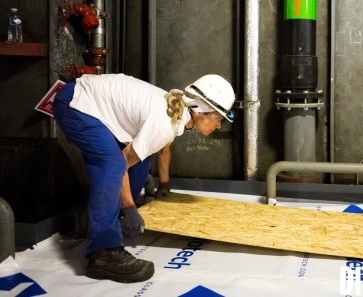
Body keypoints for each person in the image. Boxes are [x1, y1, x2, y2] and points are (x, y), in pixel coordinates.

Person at [52, 73, 235, 283]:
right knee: (111, 164)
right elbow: (121, 164)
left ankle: (111, 217)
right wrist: (130, 208)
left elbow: (160, 150)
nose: (219, 125)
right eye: (218, 118)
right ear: (200, 111)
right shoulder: (164, 123)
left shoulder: (174, 114)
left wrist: (164, 185)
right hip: (76, 103)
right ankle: (103, 252)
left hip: (89, 103)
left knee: (140, 158)